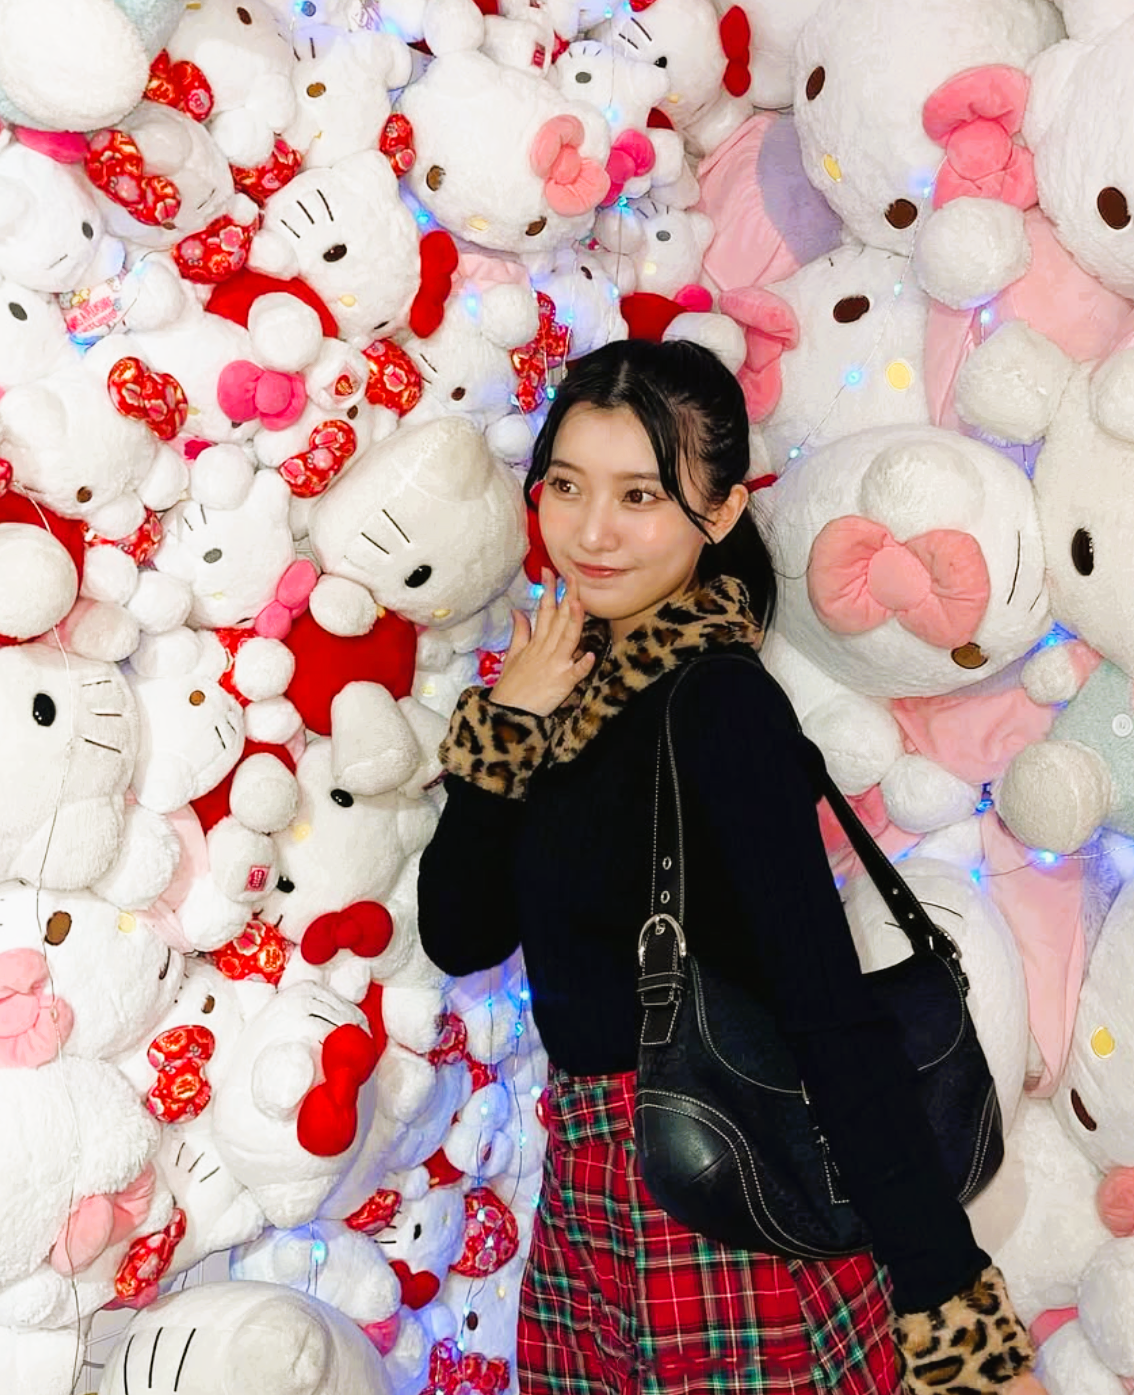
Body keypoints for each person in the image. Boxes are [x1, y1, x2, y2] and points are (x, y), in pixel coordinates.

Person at [418, 338, 1046, 1395]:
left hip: (718, 1207)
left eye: (640, 496)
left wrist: (953, 1308)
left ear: (719, 513)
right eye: (567, 486)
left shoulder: (720, 705)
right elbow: (460, 932)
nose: (591, 531)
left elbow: (825, 1006)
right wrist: (506, 732)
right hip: (594, 1201)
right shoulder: (569, 690)